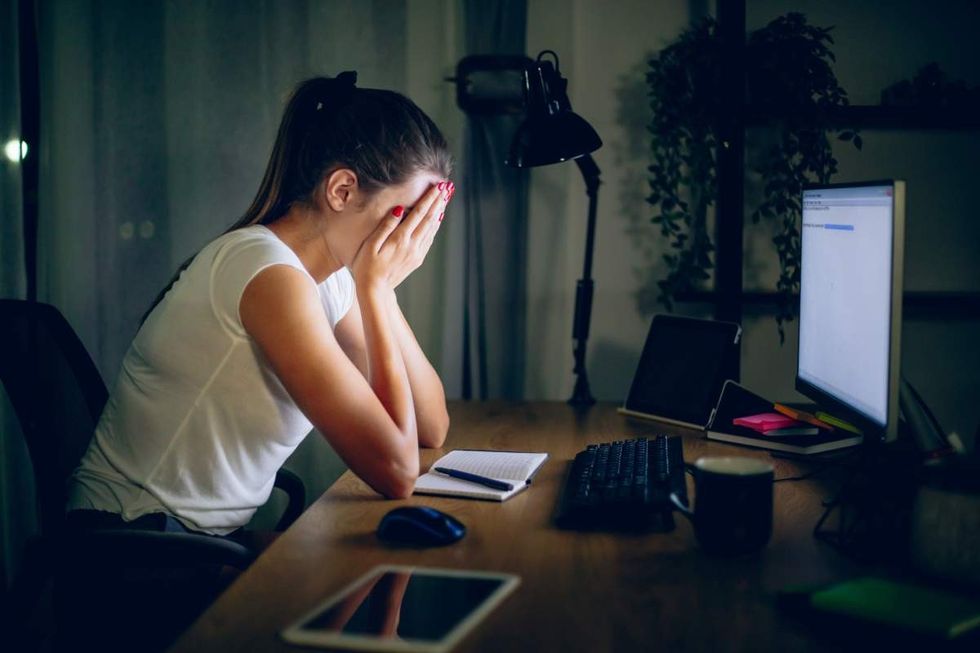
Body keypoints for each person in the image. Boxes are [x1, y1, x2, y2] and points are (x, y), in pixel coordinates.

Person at [66, 72, 454, 540]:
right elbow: (397, 470)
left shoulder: (327, 280)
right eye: (406, 217)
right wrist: (376, 291)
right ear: (342, 191)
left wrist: (382, 294)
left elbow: (431, 426)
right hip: (132, 543)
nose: (411, 239)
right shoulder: (269, 274)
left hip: (193, 542)